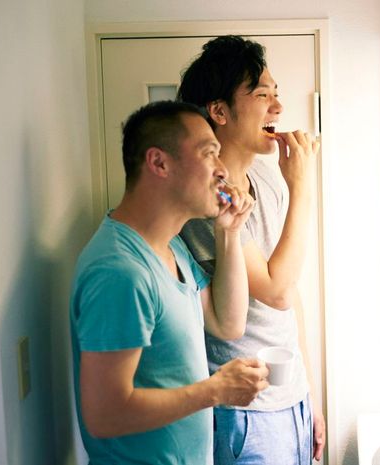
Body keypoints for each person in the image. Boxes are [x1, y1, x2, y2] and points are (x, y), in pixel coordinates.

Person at [70, 100, 269, 464]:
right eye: (210, 154)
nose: (223, 171)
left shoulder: (170, 246)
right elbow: (105, 415)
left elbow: (228, 322)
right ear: (159, 162)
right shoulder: (120, 271)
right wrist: (215, 391)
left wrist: (229, 233)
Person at [177, 35, 326, 464]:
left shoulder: (264, 178)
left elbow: (290, 294)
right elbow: (275, 290)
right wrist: (303, 186)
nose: (278, 107)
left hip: (291, 398)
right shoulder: (209, 201)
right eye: (262, 95)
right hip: (246, 413)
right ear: (219, 111)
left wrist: (309, 392)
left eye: (277, 94)